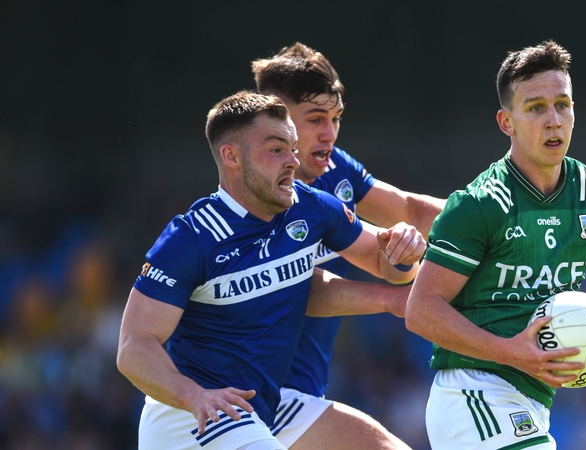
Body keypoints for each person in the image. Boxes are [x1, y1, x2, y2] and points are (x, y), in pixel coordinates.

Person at [116, 91, 427, 450]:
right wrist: (195, 396)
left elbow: (384, 262)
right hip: (193, 415)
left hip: (264, 406)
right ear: (231, 156)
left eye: (293, 148)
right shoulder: (191, 238)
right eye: (277, 149)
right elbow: (133, 347)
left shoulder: (310, 207)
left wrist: (404, 248)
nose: (293, 161)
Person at [405, 40, 586, 449]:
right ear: (507, 122)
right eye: (536, 108)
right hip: (473, 395)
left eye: (563, 104)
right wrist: (508, 351)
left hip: (531, 403)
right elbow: (420, 311)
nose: (554, 120)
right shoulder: (480, 205)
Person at [250, 43, 446, 450]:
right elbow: (302, 288)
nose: (330, 133)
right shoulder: (254, 196)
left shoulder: (335, 169)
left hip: (300, 396)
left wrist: (501, 216)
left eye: (335, 118)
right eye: (316, 119)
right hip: (253, 394)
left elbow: (407, 211)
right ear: (274, 121)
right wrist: (392, 296)